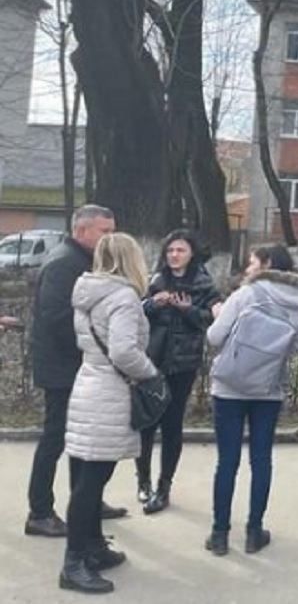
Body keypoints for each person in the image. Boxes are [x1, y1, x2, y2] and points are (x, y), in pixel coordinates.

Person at [60, 232, 161, 594]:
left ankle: (91, 547)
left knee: (85, 479)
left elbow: (88, 342)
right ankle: (74, 563)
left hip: (87, 385)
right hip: (109, 394)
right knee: (91, 483)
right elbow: (123, 351)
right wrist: (150, 372)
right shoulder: (123, 297)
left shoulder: (87, 291)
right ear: (131, 259)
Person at [203, 244, 298, 557]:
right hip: (268, 389)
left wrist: (218, 315)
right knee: (261, 460)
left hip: (229, 387)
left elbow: (214, 337)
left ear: (266, 264)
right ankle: (254, 532)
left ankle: (220, 534)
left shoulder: (245, 294)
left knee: (227, 462)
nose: (248, 268)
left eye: (252, 262)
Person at [26, 204, 121, 538]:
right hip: (63, 368)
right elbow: (56, 318)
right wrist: (94, 347)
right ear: (81, 231)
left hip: (76, 366)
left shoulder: (83, 260)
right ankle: (39, 512)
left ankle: (86, 501)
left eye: (113, 231)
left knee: (82, 440)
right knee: (55, 439)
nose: (111, 237)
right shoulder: (65, 263)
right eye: (104, 232)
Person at [137, 229, 221, 515]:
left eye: (180, 250)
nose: (174, 255)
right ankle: (143, 481)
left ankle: (164, 486)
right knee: (146, 423)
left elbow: (211, 321)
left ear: (191, 254)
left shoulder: (203, 283)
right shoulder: (155, 279)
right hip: (151, 360)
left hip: (183, 364)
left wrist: (188, 311)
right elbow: (135, 313)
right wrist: (152, 303)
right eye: (170, 250)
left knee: (172, 425)